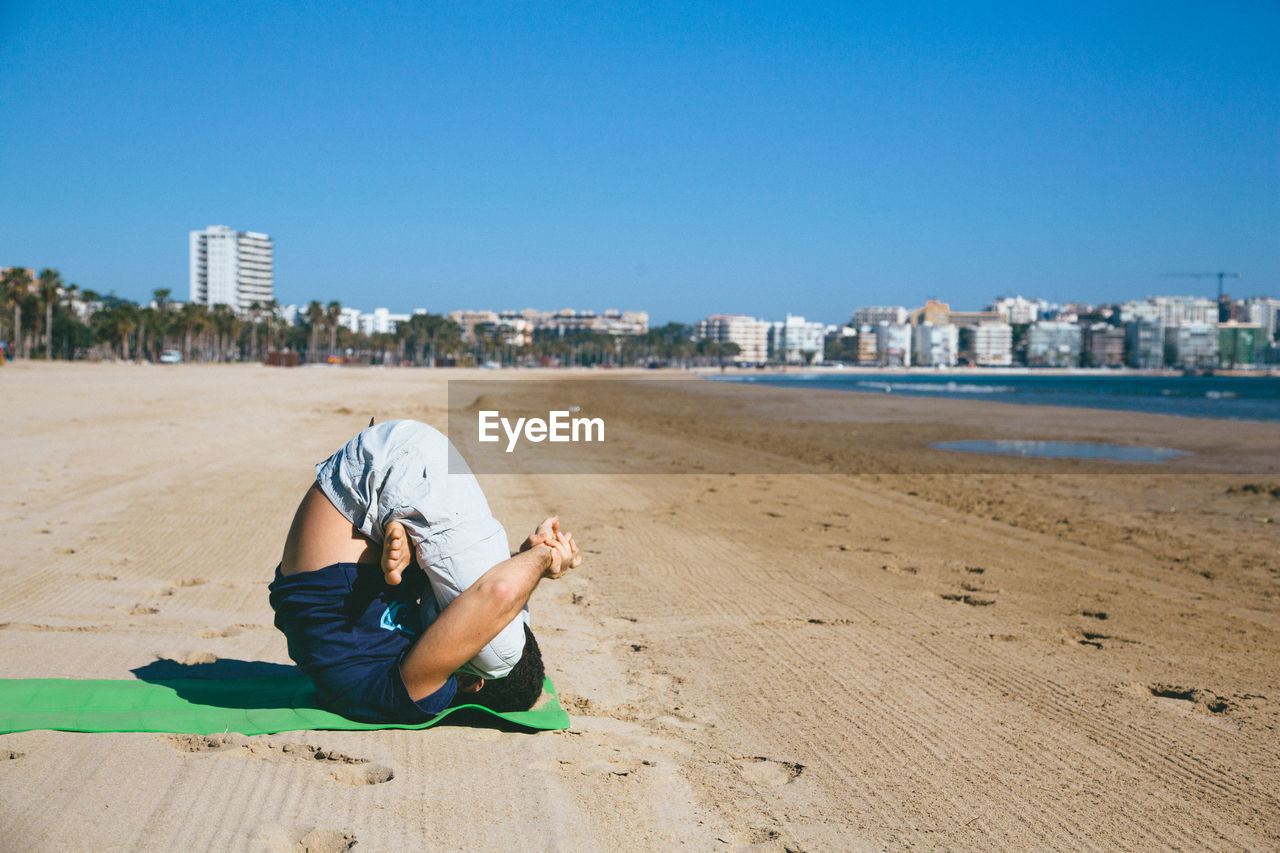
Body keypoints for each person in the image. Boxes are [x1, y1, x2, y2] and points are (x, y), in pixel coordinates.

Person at [269, 420, 580, 723]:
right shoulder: (389, 665)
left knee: (502, 650)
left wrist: (544, 557)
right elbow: (484, 593)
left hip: (377, 481)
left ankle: (401, 526)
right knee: (479, 616)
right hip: (379, 486)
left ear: (473, 683)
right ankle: (402, 526)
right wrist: (528, 557)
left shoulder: (406, 693)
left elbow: (497, 595)